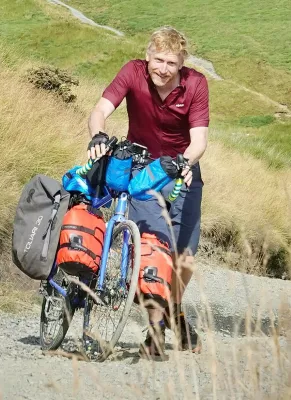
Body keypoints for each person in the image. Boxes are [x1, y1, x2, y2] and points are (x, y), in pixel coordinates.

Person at [87, 26, 209, 359]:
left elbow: (199, 140)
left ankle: (177, 314)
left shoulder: (196, 84)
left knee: (185, 257)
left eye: (172, 62)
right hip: (142, 174)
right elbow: (99, 110)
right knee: (155, 250)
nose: (164, 69)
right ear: (147, 56)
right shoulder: (131, 72)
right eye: (159, 60)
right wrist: (98, 135)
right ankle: (155, 335)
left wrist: (186, 161)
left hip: (182, 173)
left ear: (181, 62)